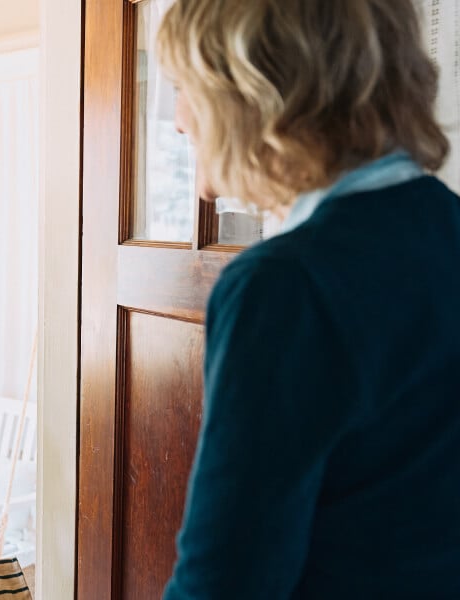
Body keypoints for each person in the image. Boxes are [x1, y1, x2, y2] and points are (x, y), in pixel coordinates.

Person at [157, 1, 460, 598]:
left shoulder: (283, 289)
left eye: (181, 88)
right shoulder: (446, 229)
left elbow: (225, 582)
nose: (177, 120)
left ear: (255, 91)